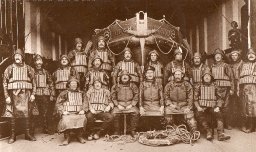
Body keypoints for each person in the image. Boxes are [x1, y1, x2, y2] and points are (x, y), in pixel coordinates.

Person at [2, 49, 36, 144]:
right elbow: (4, 82)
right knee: (13, 114)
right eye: (15, 55)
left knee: (27, 113)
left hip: (26, 95)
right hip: (13, 95)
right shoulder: (9, 68)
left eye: (19, 55)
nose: (17, 57)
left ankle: (28, 133)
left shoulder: (29, 68)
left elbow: (34, 82)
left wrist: (33, 94)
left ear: (22, 57)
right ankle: (12, 135)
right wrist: (6, 96)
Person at [194, 67, 231, 141]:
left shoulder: (215, 85)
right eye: (205, 76)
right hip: (202, 107)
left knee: (219, 114)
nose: (207, 77)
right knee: (199, 114)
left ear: (211, 77)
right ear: (202, 77)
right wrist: (198, 107)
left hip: (213, 107)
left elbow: (220, 98)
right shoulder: (199, 86)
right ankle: (208, 132)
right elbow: (195, 99)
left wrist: (218, 106)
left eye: (208, 76)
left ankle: (220, 134)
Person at [56, 76, 87, 145]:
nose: (74, 85)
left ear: (77, 85)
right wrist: (63, 111)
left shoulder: (82, 93)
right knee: (66, 119)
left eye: (75, 83)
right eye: (72, 83)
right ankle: (67, 137)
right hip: (68, 113)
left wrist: (84, 110)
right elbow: (58, 104)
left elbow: (85, 102)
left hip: (78, 112)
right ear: (69, 85)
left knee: (83, 118)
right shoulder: (64, 93)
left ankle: (79, 136)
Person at [211, 48, 234, 130]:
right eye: (216, 55)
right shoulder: (212, 66)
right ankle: (217, 123)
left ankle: (227, 123)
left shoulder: (226, 65)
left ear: (222, 56)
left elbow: (231, 77)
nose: (217, 57)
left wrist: (232, 89)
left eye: (219, 55)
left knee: (226, 106)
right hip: (215, 88)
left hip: (225, 89)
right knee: (216, 105)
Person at [111, 70, 139, 137]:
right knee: (114, 113)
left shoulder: (133, 85)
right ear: (120, 77)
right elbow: (113, 97)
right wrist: (117, 105)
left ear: (129, 77)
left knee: (136, 112)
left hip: (130, 104)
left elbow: (136, 95)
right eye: (123, 76)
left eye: (126, 76)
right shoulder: (116, 86)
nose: (125, 77)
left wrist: (132, 104)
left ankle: (133, 130)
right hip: (119, 104)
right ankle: (117, 130)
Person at [33, 54, 55, 134]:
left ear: (42, 62)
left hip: (44, 94)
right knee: (34, 111)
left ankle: (45, 128)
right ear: (34, 62)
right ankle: (33, 129)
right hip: (34, 94)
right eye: (37, 61)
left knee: (45, 112)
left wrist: (52, 94)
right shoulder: (31, 71)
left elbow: (51, 83)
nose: (38, 63)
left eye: (40, 61)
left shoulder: (46, 72)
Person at [139, 66, 164, 131]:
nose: (150, 74)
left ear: (153, 74)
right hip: (146, 104)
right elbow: (140, 96)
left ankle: (156, 132)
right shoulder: (143, 84)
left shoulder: (158, 83)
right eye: (148, 73)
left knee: (157, 119)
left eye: (151, 73)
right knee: (145, 120)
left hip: (156, 104)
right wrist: (141, 107)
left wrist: (162, 106)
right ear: (146, 74)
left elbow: (161, 96)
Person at [238, 48, 256, 133]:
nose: (251, 55)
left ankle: (253, 126)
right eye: (249, 54)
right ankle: (249, 125)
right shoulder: (243, 65)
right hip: (245, 88)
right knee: (247, 107)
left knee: (253, 106)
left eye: (253, 54)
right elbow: (239, 77)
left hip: (254, 88)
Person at [229, 49, 243, 128]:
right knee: (232, 104)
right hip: (232, 84)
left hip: (239, 84)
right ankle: (232, 123)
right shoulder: (230, 64)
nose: (234, 57)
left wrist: (238, 88)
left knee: (240, 104)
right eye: (232, 55)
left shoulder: (241, 63)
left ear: (238, 56)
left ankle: (241, 123)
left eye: (236, 55)